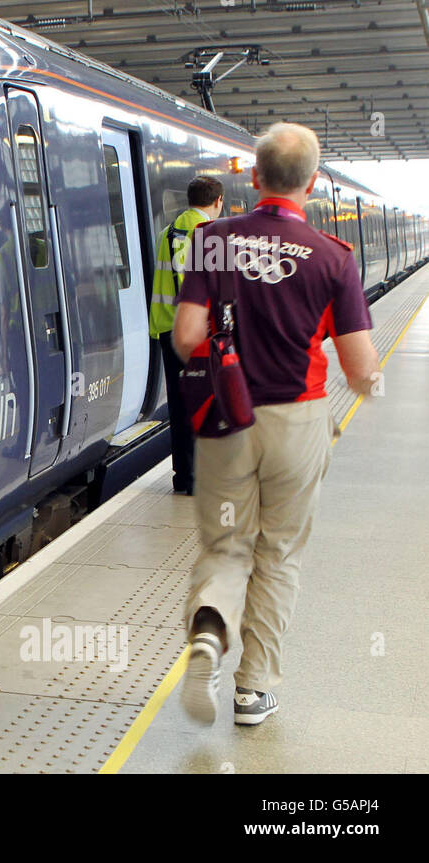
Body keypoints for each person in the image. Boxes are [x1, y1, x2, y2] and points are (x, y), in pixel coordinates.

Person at [172, 122, 380, 726]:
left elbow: (186, 337)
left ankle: (209, 629)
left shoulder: (212, 240)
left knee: (227, 542)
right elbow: (363, 370)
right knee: (279, 552)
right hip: (297, 418)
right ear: (312, 185)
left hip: (226, 419)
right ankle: (254, 689)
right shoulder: (334, 259)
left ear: (254, 179)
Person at [151, 176, 224, 495]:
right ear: (217, 201)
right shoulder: (212, 235)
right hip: (200, 334)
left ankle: (184, 477)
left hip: (168, 331)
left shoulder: (166, 233)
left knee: (180, 406)